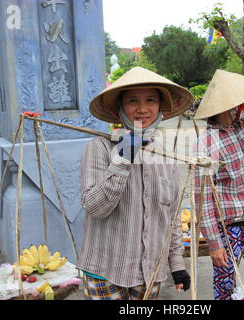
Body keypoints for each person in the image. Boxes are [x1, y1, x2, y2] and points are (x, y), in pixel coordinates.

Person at [78, 67, 194, 300]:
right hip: (106, 272)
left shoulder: (165, 156)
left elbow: (170, 216)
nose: (142, 109)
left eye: (150, 100)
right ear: (120, 109)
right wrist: (123, 158)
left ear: (160, 106)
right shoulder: (100, 148)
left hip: (150, 273)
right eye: (133, 101)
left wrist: (176, 263)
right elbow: (94, 207)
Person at [193, 69, 244, 300]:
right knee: (226, 288)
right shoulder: (206, 144)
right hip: (226, 229)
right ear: (223, 107)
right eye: (238, 101)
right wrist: (214, 243)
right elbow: (203, 199)